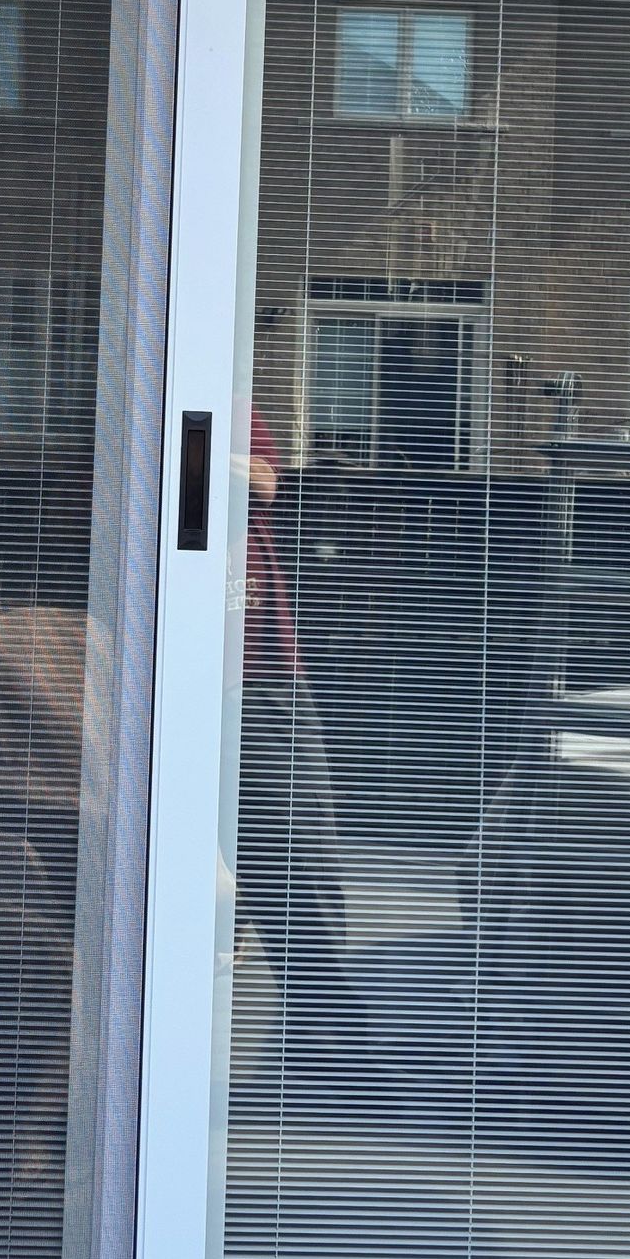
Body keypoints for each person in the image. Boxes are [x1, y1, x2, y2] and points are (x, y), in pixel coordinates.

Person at [234, 409, 368, 1063]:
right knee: (282, 835)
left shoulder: (227, 404)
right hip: (200, 665)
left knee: (301, 828)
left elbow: (263, 482)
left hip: (260, 662)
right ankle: (330, 1023)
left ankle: (322, 1018)